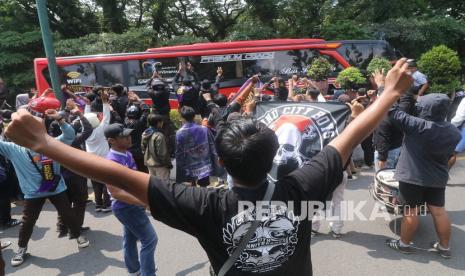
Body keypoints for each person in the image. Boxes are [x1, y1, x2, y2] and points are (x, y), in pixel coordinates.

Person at [4, 59, 413, 275]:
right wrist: (388, 93)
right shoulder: (303, 186)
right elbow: (350, 134)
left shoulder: (202, 204)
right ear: (273, 157)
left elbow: (112, 174)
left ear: (223, 161)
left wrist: (43, 144)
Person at [0, 109, 90, 267]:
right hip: (33, 193)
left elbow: (69, 135)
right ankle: (21, 248)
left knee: (68, 213)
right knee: (28, 221)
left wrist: (60, 120)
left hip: (56, 188)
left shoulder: (50, 144)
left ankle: (77, 235)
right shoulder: (13, 149)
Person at [385, 93, 461, 258]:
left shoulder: (417, 125)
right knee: (439, 211)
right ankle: (444, 248)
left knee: (410, 212)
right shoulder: (454, 132)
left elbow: (391, 110)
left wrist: (385, 87)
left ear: (425, 108)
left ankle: (404, 244)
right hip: (437, 178)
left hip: (412, 177)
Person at [104, 123, 158, 276]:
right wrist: (144, 203)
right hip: (126, 207)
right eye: (123, 137)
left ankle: (134, 269)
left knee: (130, 238)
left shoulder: (126, 153)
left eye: (128, 135)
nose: (129, 138)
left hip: (132, 205)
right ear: (111, 141)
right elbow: (116, 193)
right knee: (150, 240)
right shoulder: (111, 162)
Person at [57, 100, 93, 236]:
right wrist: (80, 114)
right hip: (76, 175)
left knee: (65, 202)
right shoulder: (73, 140)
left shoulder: (52, 141)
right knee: (79, 202)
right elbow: (88, 129)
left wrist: (65, 111)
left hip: (60, 176)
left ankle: (62, 228)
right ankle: (75, 228)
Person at [175, 106, 217, 187]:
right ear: (194, 116)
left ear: (182, 117)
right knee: (204, 187)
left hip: (189, 164)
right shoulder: (204, 129)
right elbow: (212, 146)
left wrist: (180, 167)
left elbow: (179, 152)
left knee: (192, 186)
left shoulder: (179, 133)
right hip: (204, 164)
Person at [84, 92, 112, 212]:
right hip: (104, 160)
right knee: (106, 183)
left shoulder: (85, 132)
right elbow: (106, 117)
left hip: (91, 162)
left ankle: (98, 204)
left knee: (96, 184)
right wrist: (105, 102)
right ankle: (106, 204)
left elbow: (85, 118)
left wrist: (87, 105)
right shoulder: (100, 130)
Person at [142, 113, 172, 181]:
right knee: (164, 185)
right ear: (158, 123)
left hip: (149, 163)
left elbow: (143, 148)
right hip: (160, 165)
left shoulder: (145, 133)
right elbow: (162, 154)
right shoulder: (159, 136)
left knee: (153, 183)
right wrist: (168, 164)